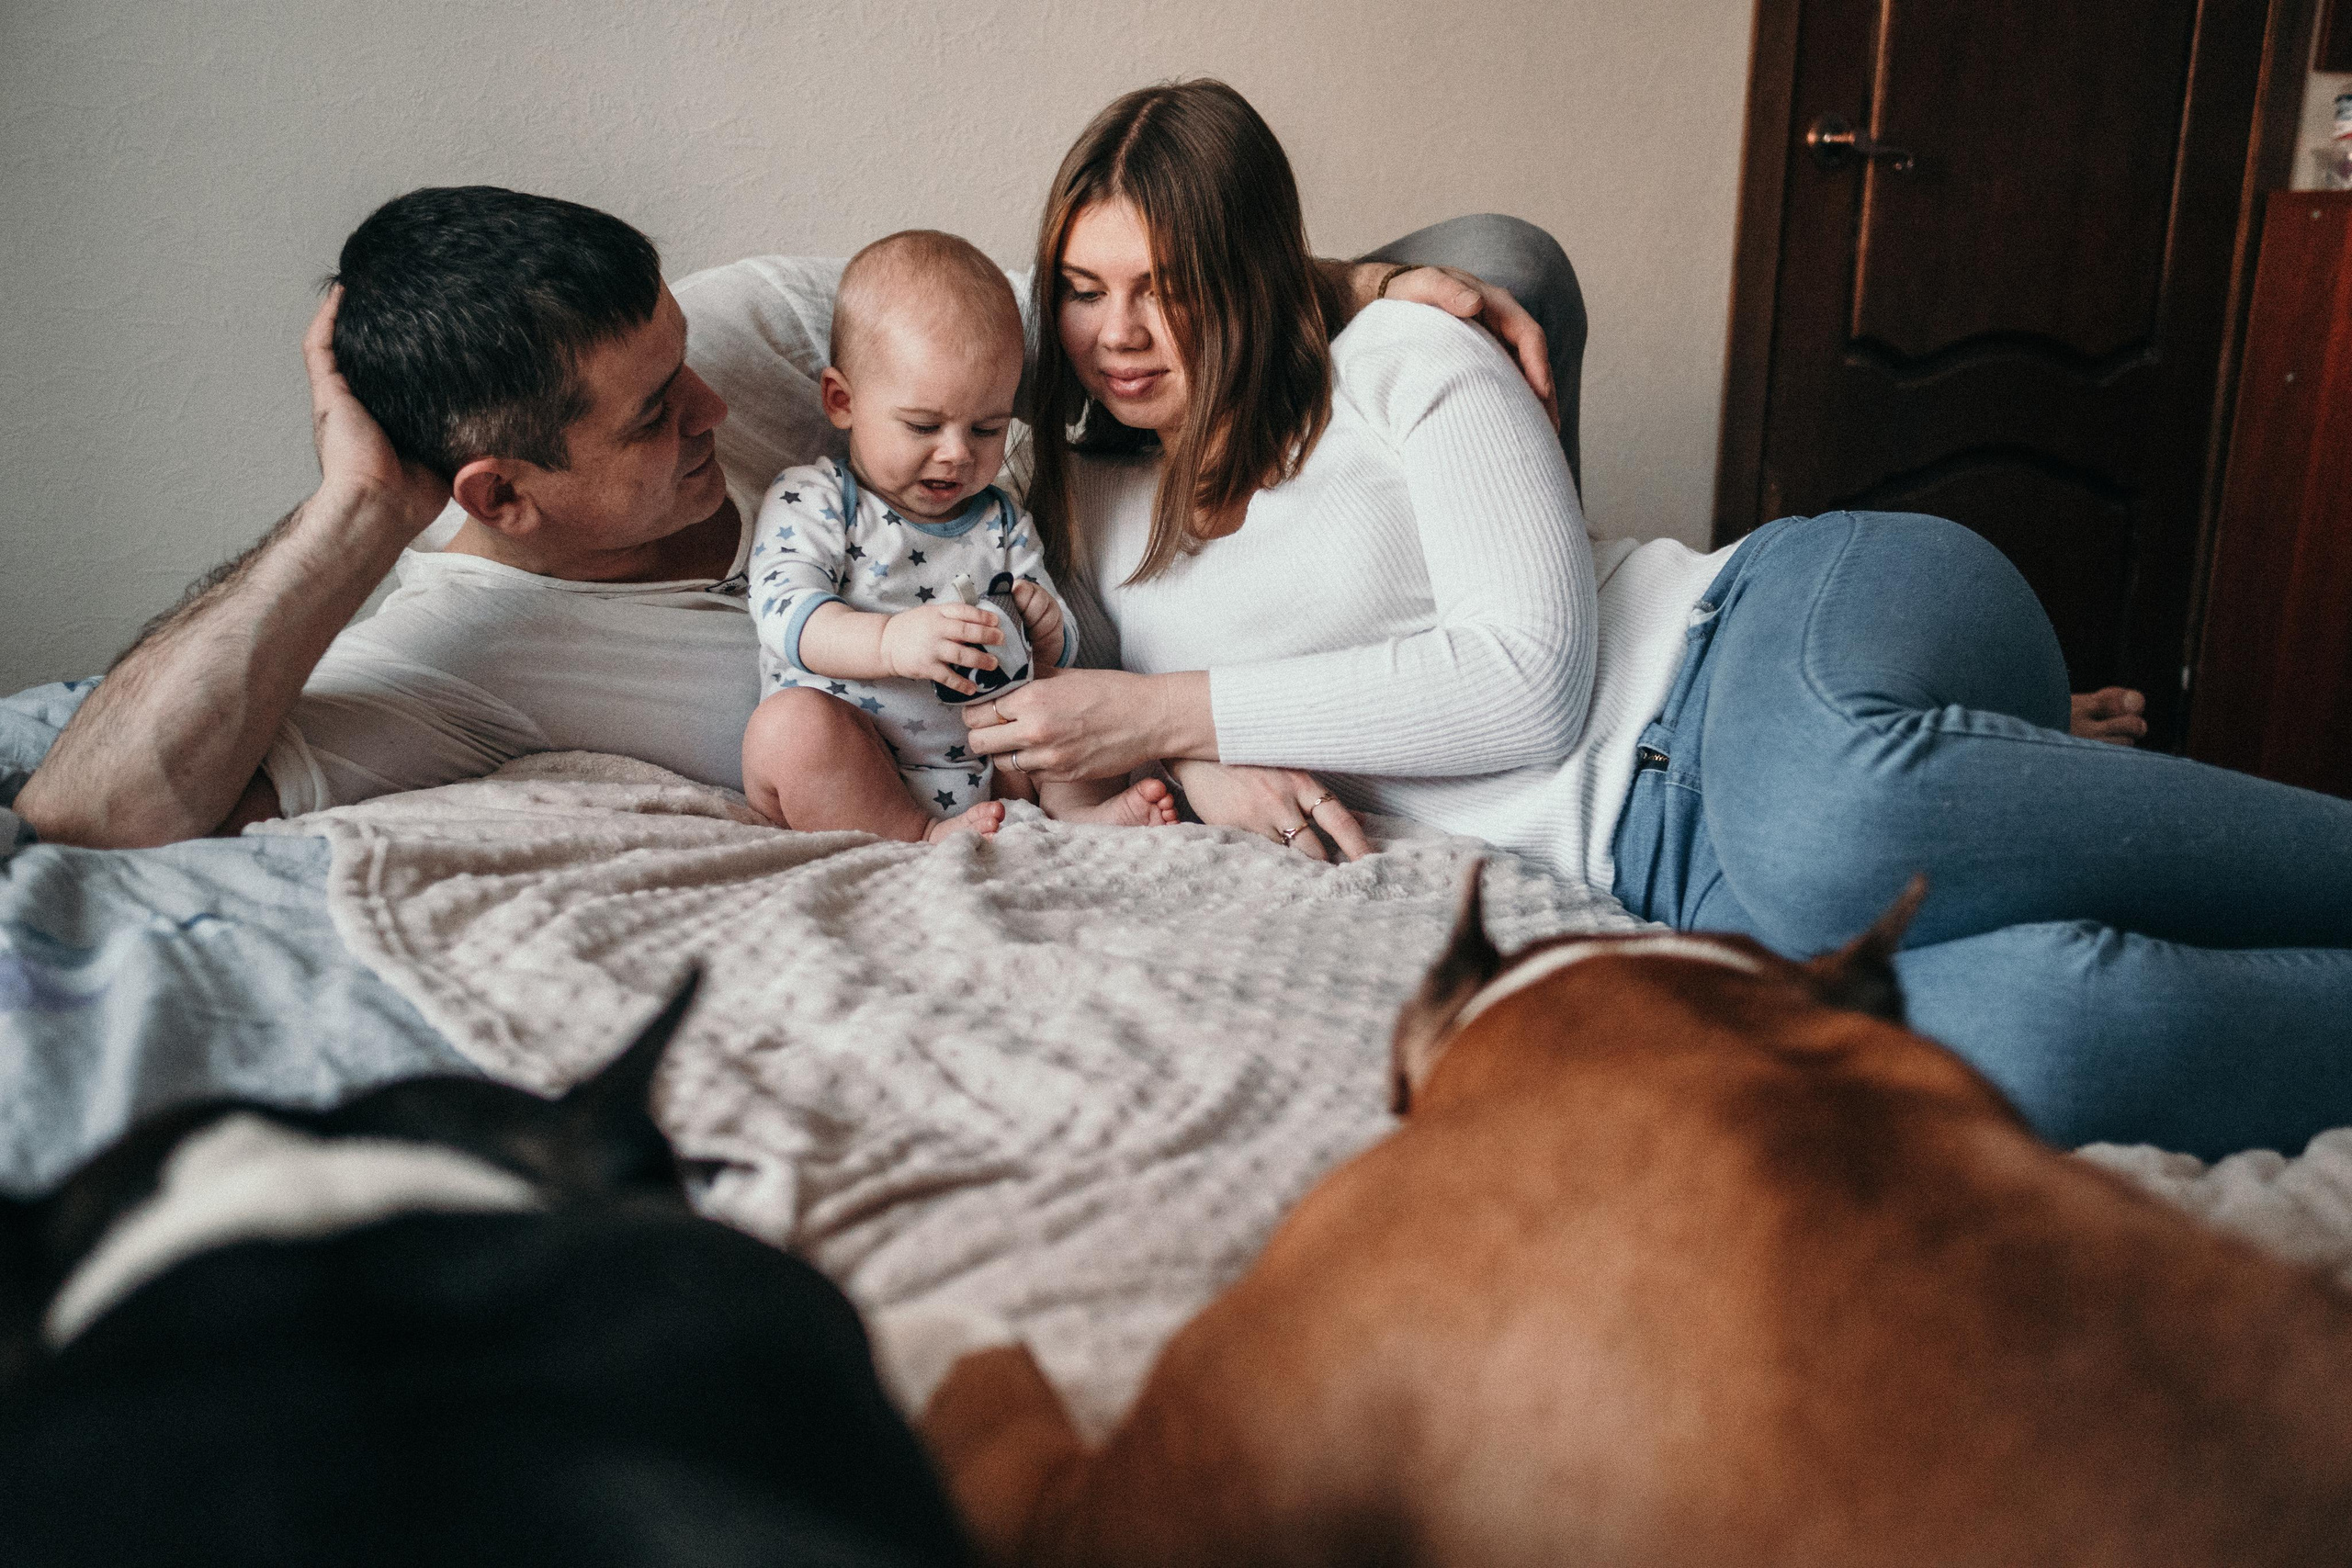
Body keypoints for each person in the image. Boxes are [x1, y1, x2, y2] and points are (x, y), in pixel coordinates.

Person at [951, 78, 2352, 1159]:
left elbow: (1531, 685)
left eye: (1166, 287)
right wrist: (1190, 763)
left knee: (1833, 818)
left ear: (1254, 279)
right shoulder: (1078, 503)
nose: (1118, 331)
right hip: (1671, 870)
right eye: (1083, 289)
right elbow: (1040, 734)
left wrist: (1175, 711)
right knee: (2044, 1041)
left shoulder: (1408, 352)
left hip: (1772, 633)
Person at [11, 186, 1558, 851]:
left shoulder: (759, 341)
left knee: (1504, 259)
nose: (711, 412)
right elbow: (89, 811)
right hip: (1045, 759)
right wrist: (356, 509)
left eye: (684, 366)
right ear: (500, 493)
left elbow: (1057, 314)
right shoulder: (456, 649)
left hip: (1135, 628)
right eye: (647, 418)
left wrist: (1346, 285)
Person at [738, 231, 1176, 841]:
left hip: (991, 766)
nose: (956, 454)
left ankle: (1078, 813)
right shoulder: (815, 498)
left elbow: (1047, 632)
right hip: (857, 766)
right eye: (923, 426)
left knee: (1061, 695)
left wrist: (1051, 635)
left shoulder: (999, 517)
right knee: (790, 730)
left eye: (986, 428)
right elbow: (786, 615)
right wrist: (891, 642)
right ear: (842, 401)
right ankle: (917, 834)